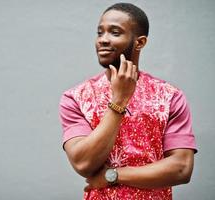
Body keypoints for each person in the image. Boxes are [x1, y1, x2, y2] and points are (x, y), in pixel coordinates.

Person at [58, 2, 197, 200]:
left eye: (115, 32)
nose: (103, 40)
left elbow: (182, 168)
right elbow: (83, 163)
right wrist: (119, 101)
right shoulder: (75, 98)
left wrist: (112, 175)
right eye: (100, 32)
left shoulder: (170, 96)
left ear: (139, 42)